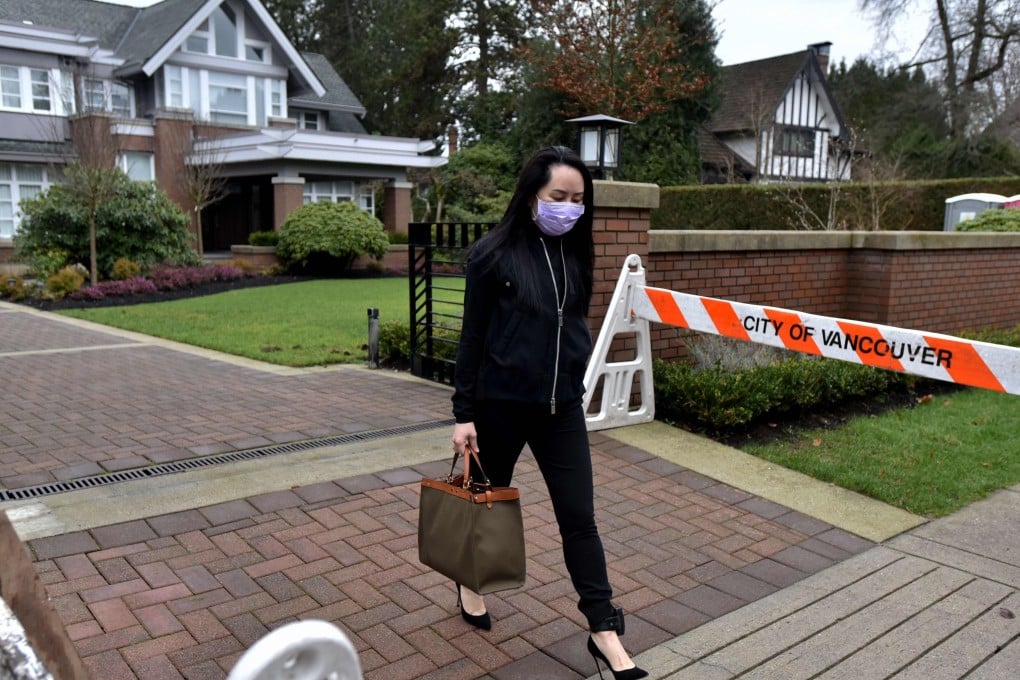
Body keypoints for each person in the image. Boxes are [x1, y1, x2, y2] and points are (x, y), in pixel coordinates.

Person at [449, 146, 647, 680]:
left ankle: (603, 630)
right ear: (532, 196)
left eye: (579, 199)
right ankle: (470, 580)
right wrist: (463, 413)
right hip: (500, 407)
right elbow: (472, 339)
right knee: (486, 504)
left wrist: (575, 376)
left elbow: (572, 326)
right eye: (558, 197)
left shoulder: (576, 254)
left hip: (561, 410)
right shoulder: (492, 255)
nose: (569, 208)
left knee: (580, 518)